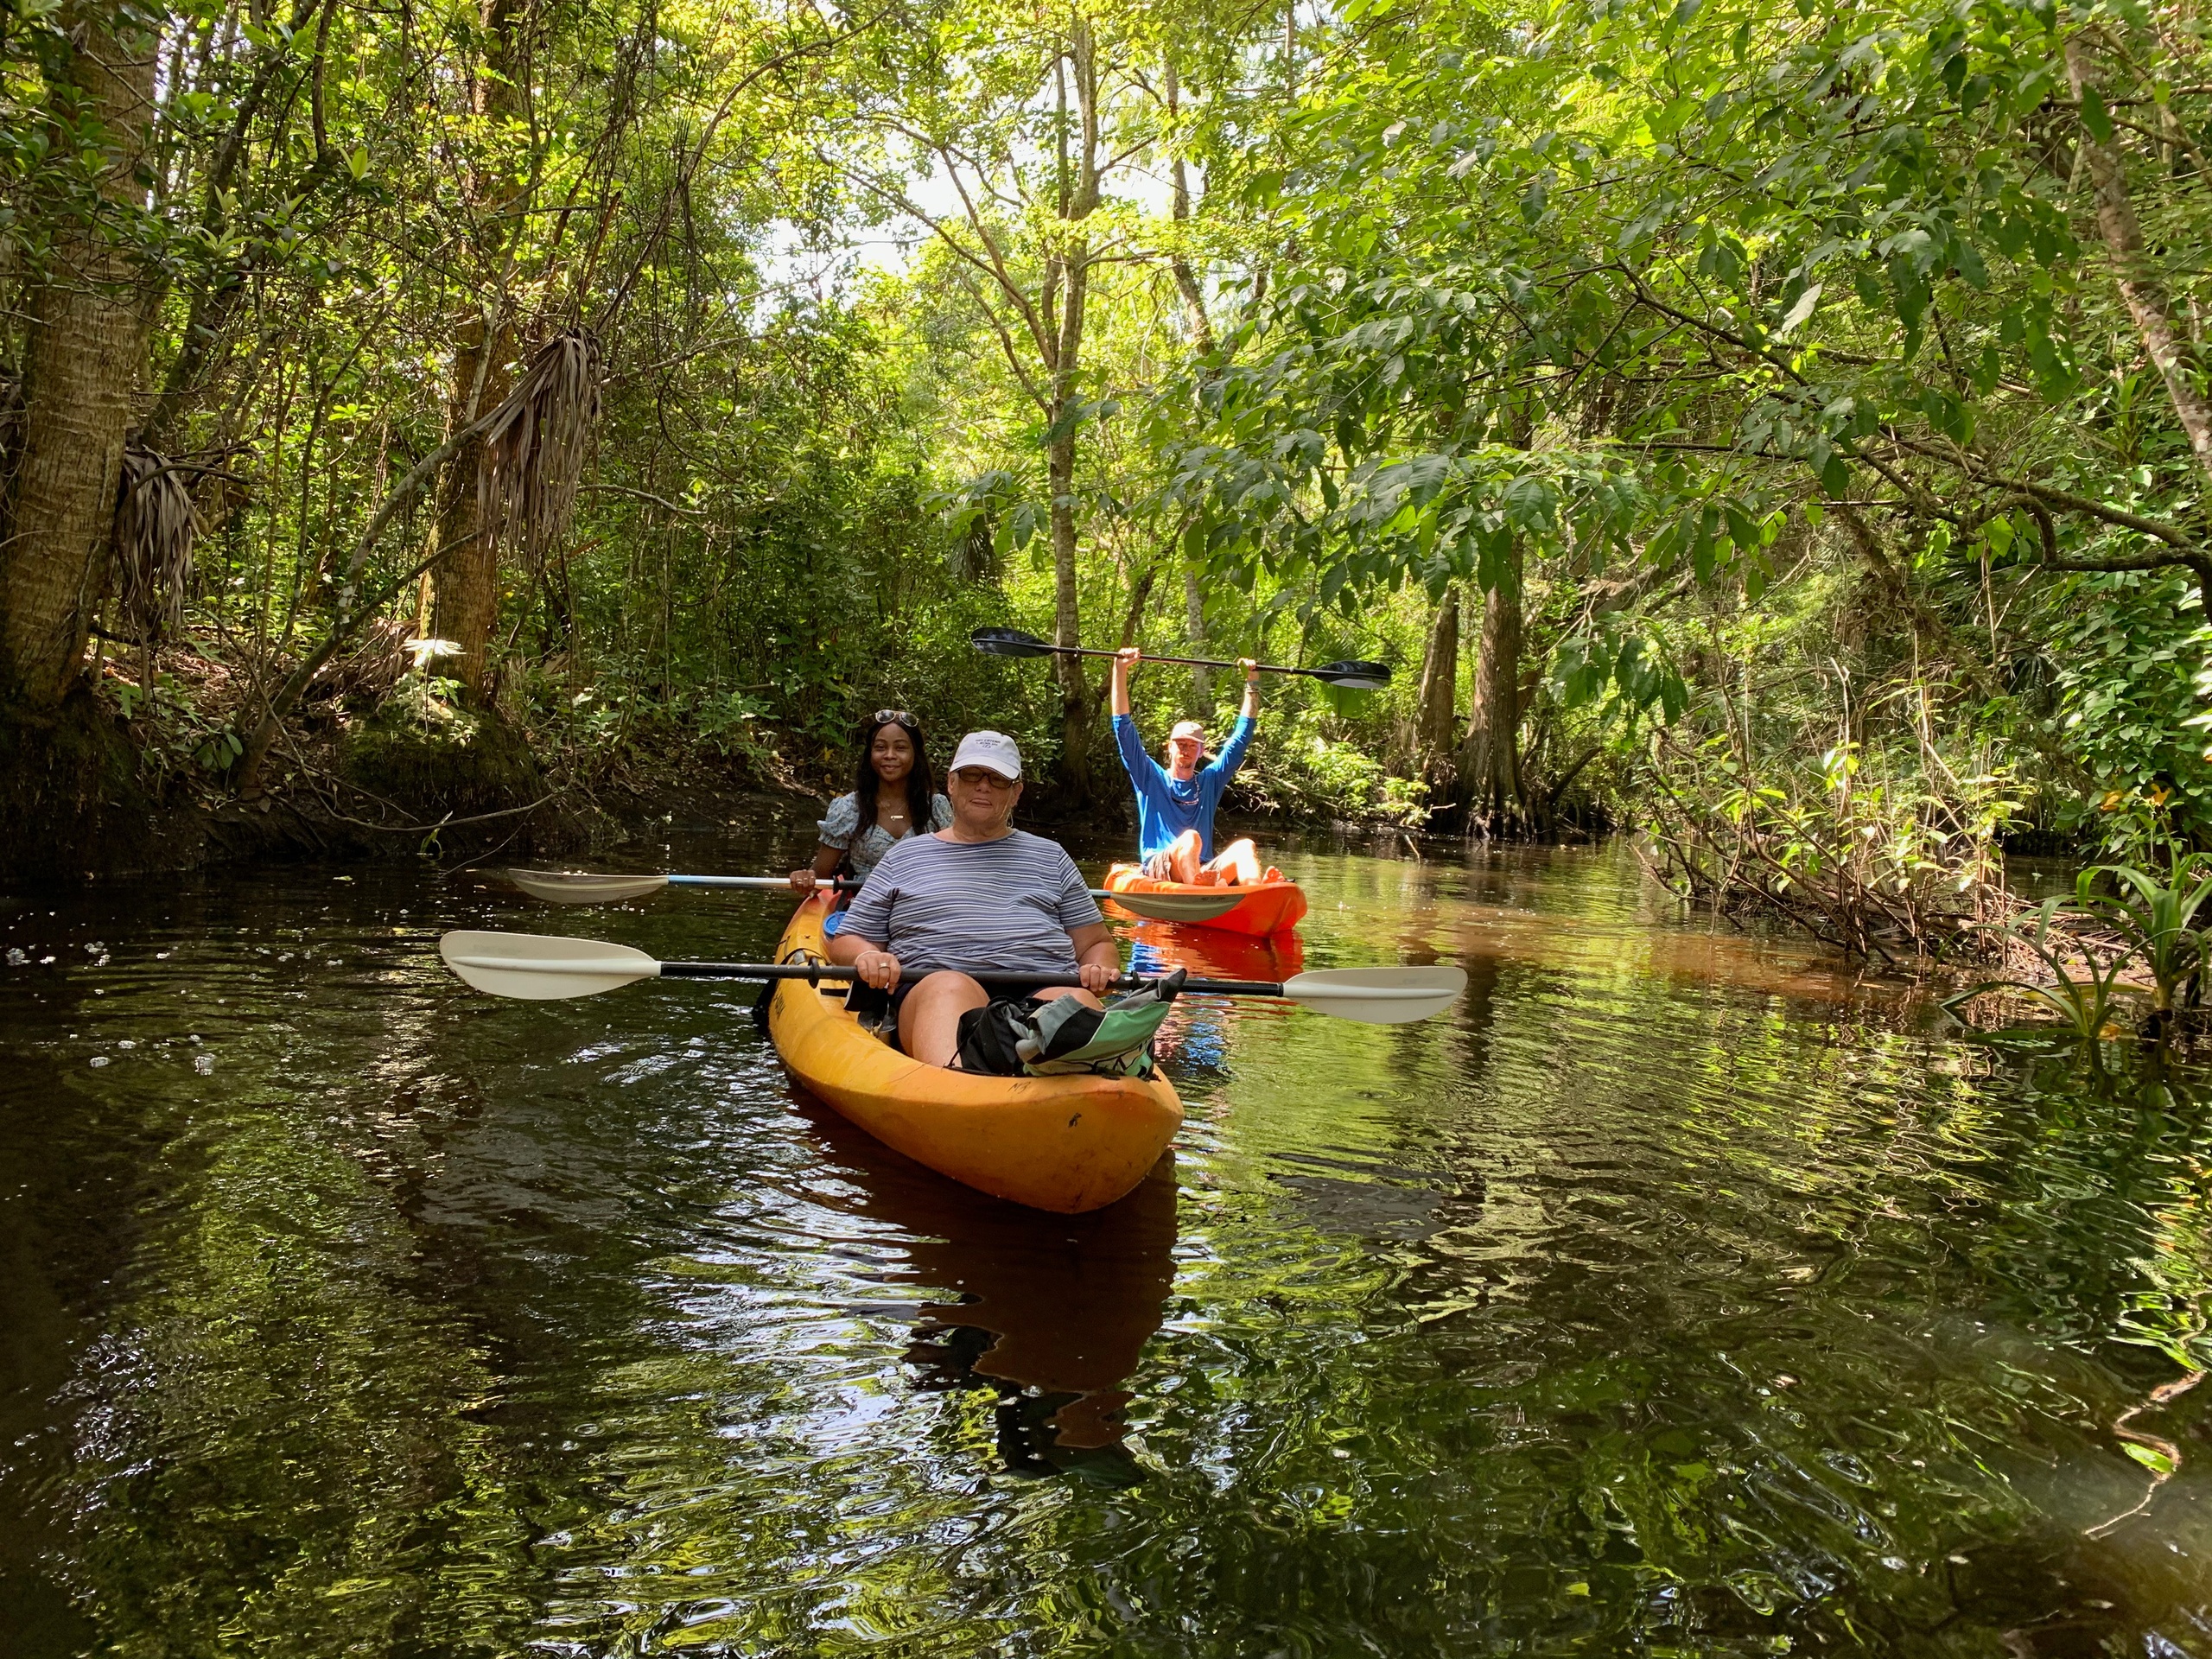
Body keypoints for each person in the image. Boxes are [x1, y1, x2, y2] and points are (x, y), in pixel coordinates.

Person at [828, 731, 1122, 1068]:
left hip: (1044, 983)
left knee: (1074, 1000)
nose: (983, 786)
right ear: (951, 784)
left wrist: (1100, 967)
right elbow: (847, 939)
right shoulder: (903, 857)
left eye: (998, 779)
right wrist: (867, 955)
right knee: (949, 987)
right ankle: (957, 1086)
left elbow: (1096, 943)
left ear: (1016, 793)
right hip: (934, 984)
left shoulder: (1051, 856)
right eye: (972, 775)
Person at [1109, 646, 1266, 885]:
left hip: (1203, 867)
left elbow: (1240, 740)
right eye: (1180, 743)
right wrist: (1119, 671)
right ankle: (1199, 892)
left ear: (1201, 751)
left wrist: (1252, 684)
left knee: (1246, 846)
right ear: (1169, 748)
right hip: (1159, 865)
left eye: (1192, 745)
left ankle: (1256, 892)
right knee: (1191, 838)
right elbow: (1124, 730)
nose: (1185, 748)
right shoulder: (1151, 777)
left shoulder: (1209, 781)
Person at [790, 711, 954, 899]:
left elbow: (952, 870)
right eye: (880, 747)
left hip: (921, 911)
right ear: (870, 753)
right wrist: (806, 878)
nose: (889, 755)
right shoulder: (849, 808)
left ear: (915, 754)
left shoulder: (936, 808)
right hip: (866, 912)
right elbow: (819, 877)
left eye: (900, 748)